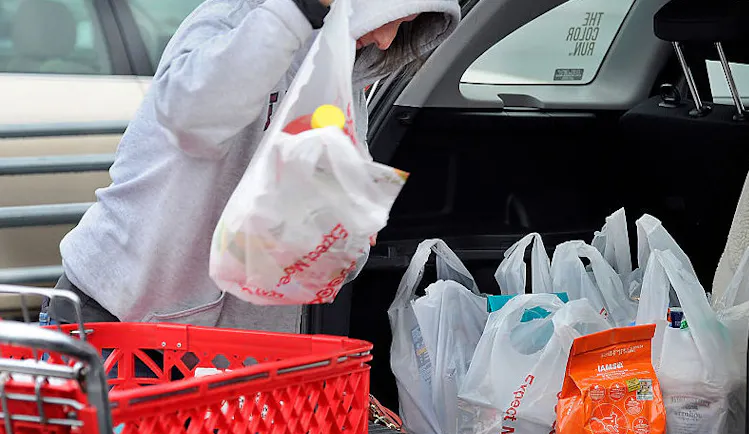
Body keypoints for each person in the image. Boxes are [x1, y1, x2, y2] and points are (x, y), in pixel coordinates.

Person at [45, 0, 460, 332]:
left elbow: (322, 250)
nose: (387, 41)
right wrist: (298, 10)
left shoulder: (346, 83)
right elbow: (192, 119)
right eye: (387, 15)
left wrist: (345, 237)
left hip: (227, 357)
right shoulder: (232, 21)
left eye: (404, 23)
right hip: (119, 326)